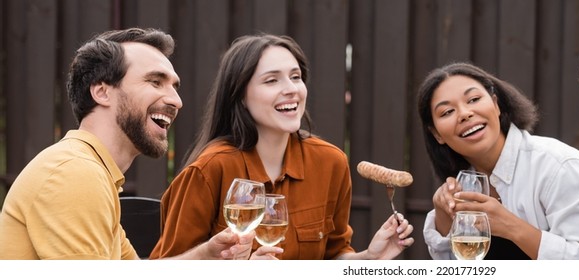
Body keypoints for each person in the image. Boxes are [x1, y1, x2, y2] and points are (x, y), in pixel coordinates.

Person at [0, 28, 279, 260]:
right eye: (155, 82)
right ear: (102, 92)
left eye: (174, 86)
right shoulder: (73, 174)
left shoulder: (92, 172)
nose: (176, 101)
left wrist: (208, 257)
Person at [149, 34, 414, 260]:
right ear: (241, 96)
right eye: (272, 80)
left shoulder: (330, 162)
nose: (291, 89)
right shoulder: (209, 169)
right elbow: (166, 268)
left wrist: (369, 258)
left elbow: (333, 256)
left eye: (296, 77)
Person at [417, 62, 579, 259]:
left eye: (473, 99)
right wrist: (443, 219)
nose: (465, 114)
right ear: (437, 134)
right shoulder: (463, 185)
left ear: (495, 104)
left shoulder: (558, 166)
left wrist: (511, 226)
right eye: (447, 112)